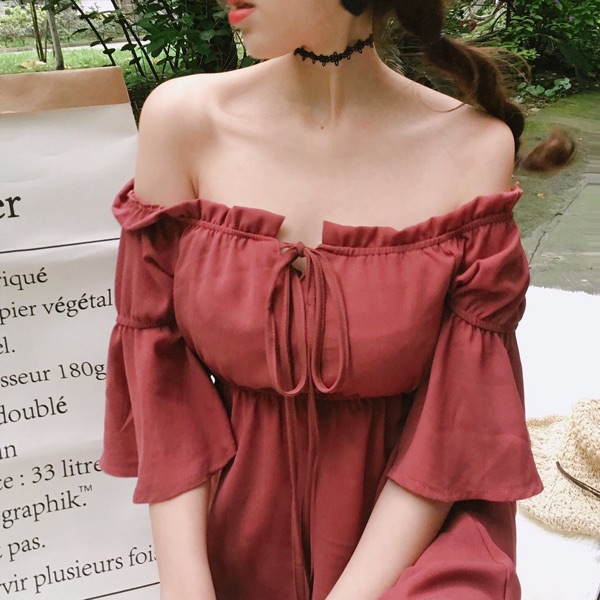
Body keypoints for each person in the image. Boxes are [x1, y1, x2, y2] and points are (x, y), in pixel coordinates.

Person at [99, 0, 574, 598]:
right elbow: (162, 380)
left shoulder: (474, 148)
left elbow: (454, 424)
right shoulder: (183, 120)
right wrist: (186, 588)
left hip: (412, 541)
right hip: (234, 526)